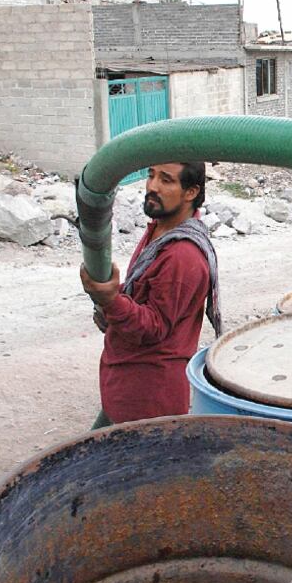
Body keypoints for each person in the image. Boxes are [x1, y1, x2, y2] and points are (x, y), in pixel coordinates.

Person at [80, 161, 222, 427]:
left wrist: (111, 301)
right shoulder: (160, 230)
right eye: (151, 175)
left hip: (148, 399)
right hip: (125, 384)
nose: (152, 186)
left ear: (191, 192)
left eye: (166, 180)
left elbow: (153, 327)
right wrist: (112, 300)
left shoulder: (183, 255)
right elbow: (142, 293)